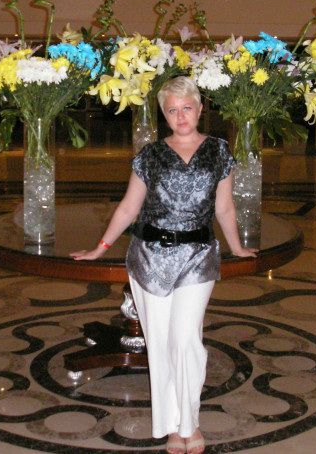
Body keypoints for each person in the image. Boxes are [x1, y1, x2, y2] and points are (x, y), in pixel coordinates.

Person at [71, 76, 257, 454]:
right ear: (164, 115)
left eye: (187, 108)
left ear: (200, 109)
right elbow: (129, 207)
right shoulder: (150, 155)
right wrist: (99, 248)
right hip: (149, 256)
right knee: (159, 344)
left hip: (198, 256)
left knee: (185, 340)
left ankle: (191, 422)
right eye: (172, 110)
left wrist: (236, 247)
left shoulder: (219, 151)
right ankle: (173, 426)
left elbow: (224, 207)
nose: (180, 116)